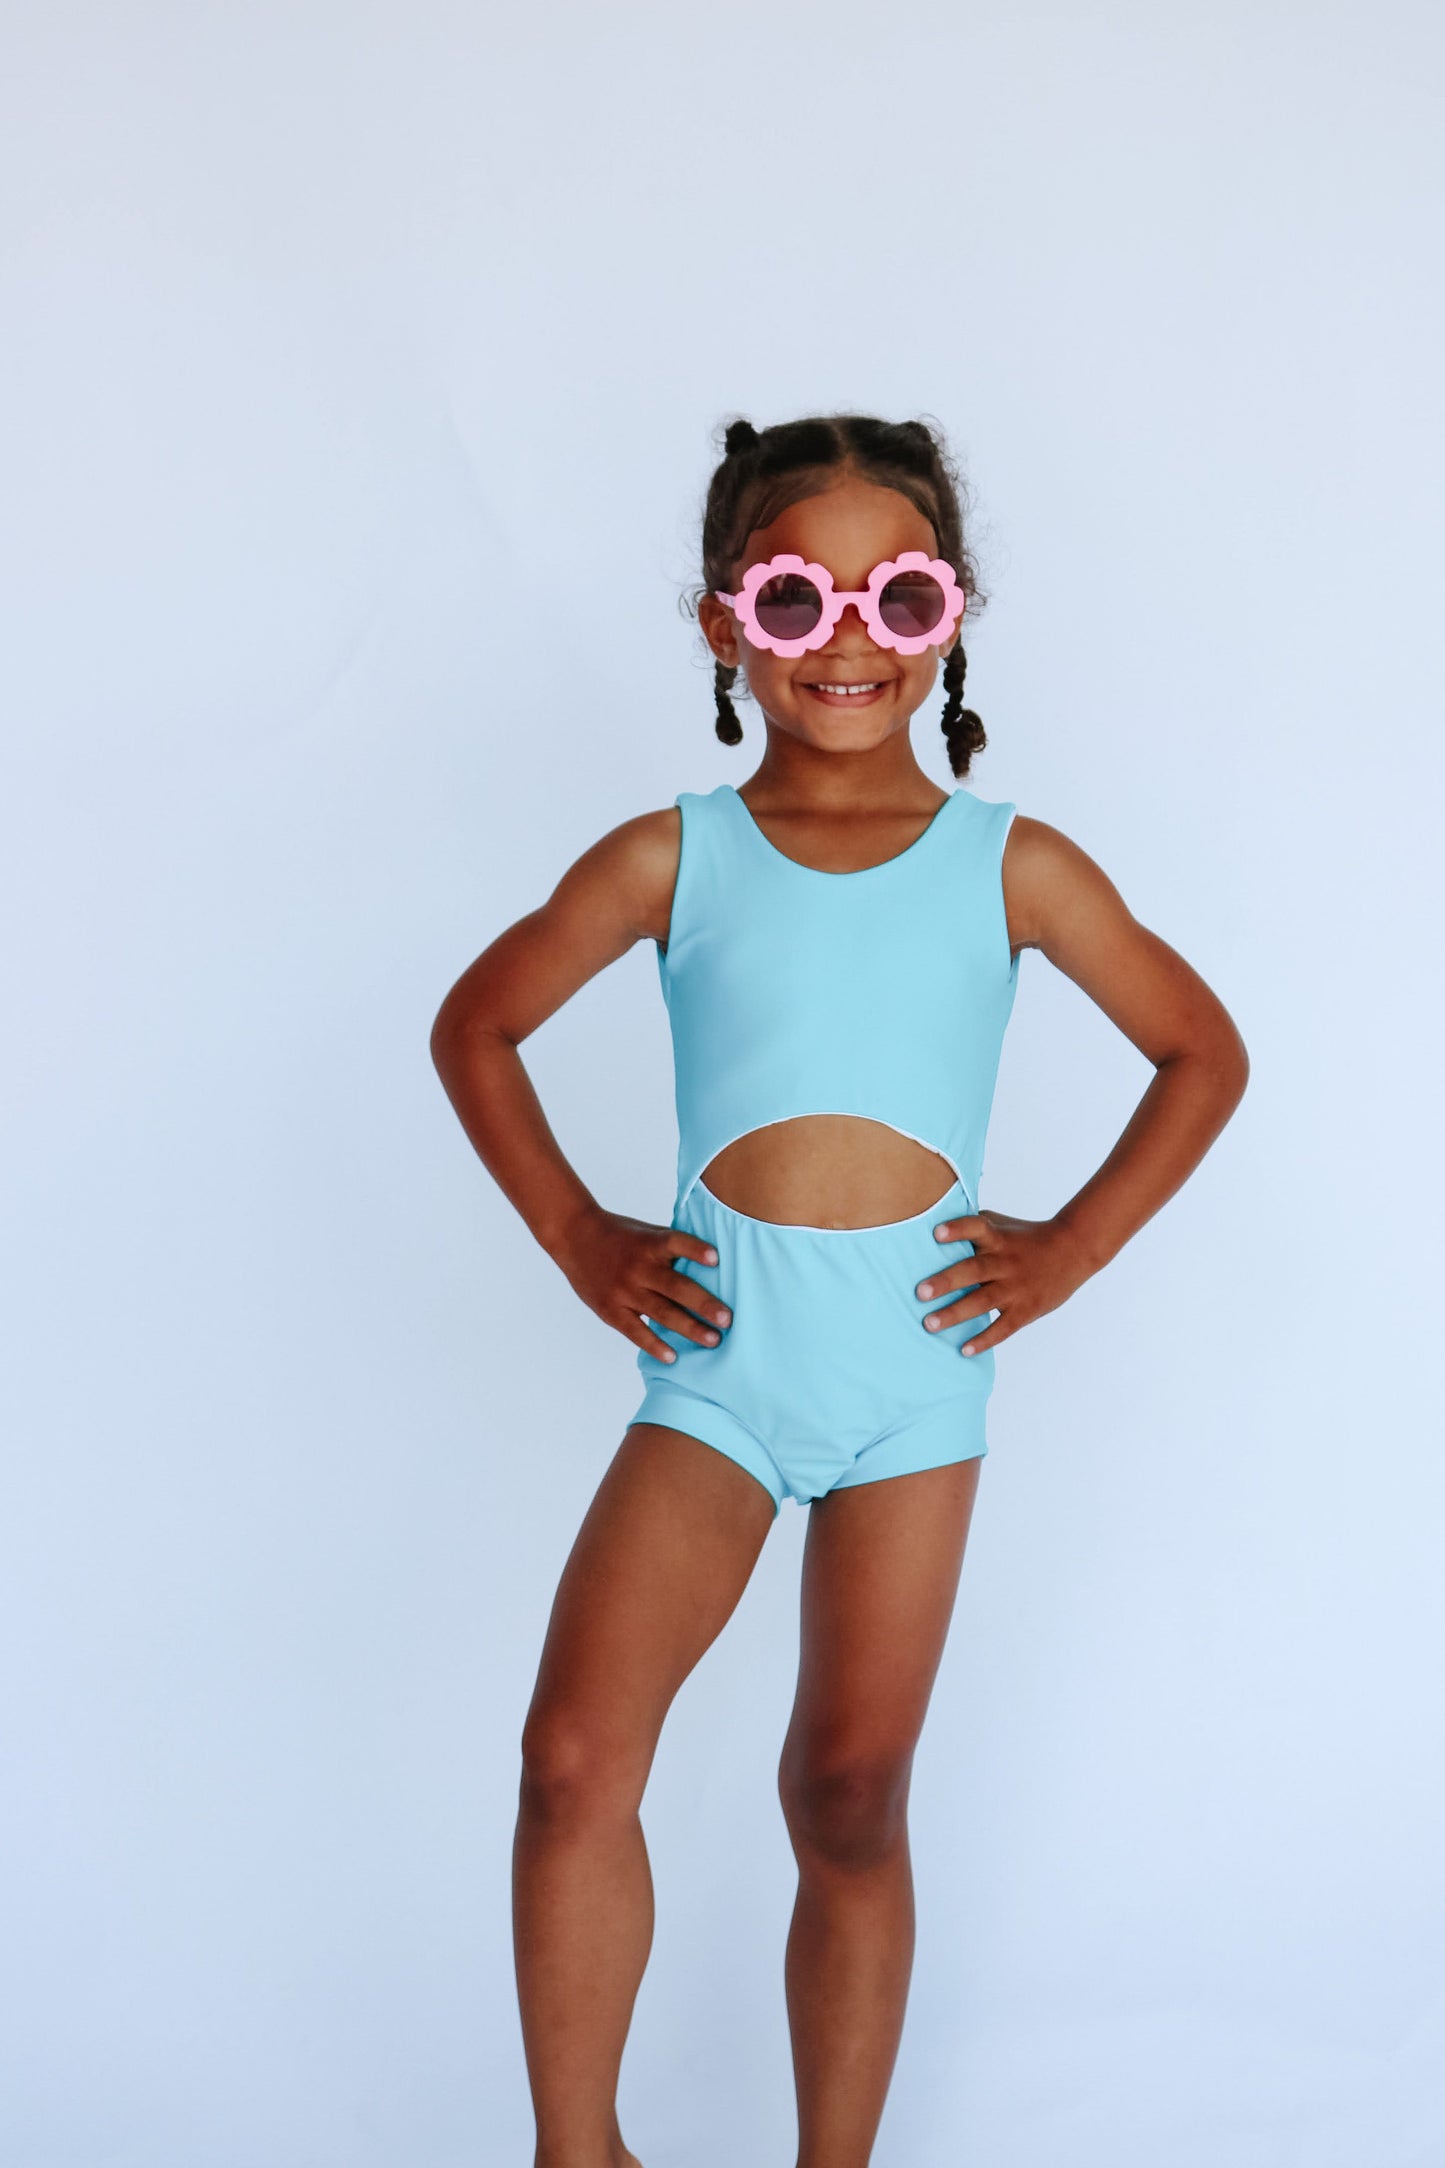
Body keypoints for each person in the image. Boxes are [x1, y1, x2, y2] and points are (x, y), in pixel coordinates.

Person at [430, 411, 1249, 2168]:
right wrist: (579, 1237)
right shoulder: (671, 857)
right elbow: (477, 1025)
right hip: (717, 1368)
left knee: (849, 1793)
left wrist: (1070, 1247)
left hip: (911, 1376)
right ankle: (578, 2151)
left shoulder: (1013, 866)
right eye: (798, 600)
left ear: (950, 617)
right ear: (727, 624)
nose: (850, 641)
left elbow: (1199, 1051)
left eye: (900, 598)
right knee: (573, 1759)